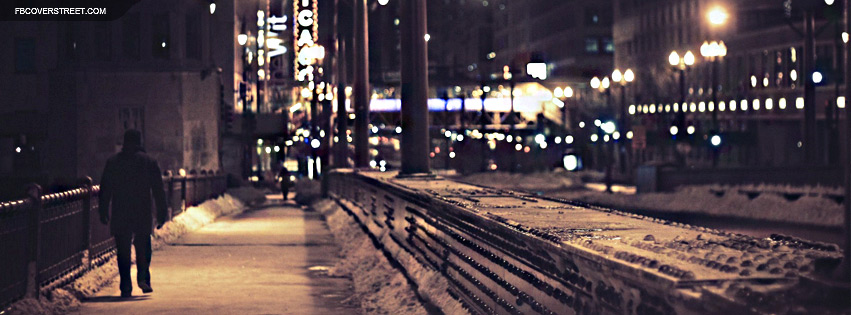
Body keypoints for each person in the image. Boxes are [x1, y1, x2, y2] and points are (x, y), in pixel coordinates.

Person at [98, 129, 167, 298]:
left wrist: (103, 210)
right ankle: (143, 277)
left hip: (121, 210)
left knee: (123, 249)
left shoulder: (113, 162)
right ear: (139, 141)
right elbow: (158, 190)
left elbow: (105, 189)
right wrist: (162, 213)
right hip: (142, 210)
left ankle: (125, 285)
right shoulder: (149, 162)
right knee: (143, 245)